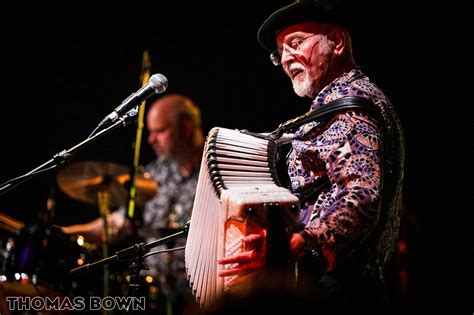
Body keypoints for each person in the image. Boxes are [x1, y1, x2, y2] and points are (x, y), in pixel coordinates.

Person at [216, 1, 405, 314]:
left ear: (337, 42)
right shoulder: (336, 105)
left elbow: (359, 196)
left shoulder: (351, 105)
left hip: (340, 291)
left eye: (296, 43)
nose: (287, 57)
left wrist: (289, 247)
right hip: (342, 286)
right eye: (281, 52)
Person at [62, 93, 204, 314]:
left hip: (202, 290)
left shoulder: (216, 167)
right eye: (150, 131)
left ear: (185, 128)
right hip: (154, 289)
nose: (151, 139)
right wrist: (66, 233)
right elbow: (117, 223)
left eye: (160, 131)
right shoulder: (155, 173)